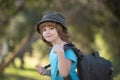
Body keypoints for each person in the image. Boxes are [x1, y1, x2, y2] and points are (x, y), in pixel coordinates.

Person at [35, 12, 79, 80]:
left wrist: (61, 53)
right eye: (44, 30)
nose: (47, 32)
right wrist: (47, 72)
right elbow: (58, 73)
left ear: (60, 30)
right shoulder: (53, 50)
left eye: (51, 28)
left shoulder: (67, 49)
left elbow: (64, 73)